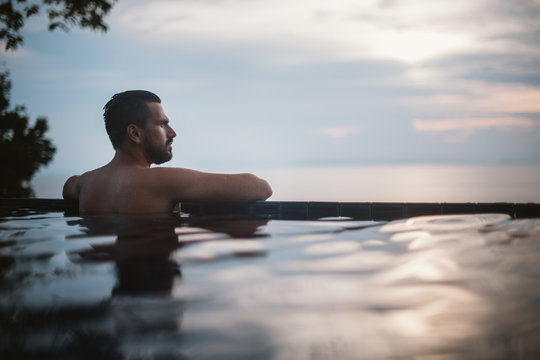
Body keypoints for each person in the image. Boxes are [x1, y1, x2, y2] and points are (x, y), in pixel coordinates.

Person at [63, 90, 272, 213]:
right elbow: (260, 188)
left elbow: (67, 188)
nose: (173, 133)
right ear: (135, 134)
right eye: (162, 125)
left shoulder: (84, 184)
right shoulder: (162, 181)